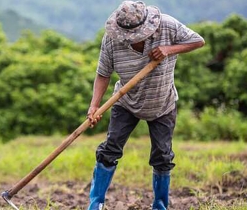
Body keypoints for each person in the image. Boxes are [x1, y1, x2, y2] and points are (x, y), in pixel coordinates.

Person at [86, 1, 205, 210]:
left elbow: (198, 41)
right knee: (110, 149)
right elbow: (103, 73)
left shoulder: (167, 26)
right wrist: (94, 107)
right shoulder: (112, 40)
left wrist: (169, 49)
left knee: (162, 156)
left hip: (162, 103)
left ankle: (160, 206)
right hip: (125, 102)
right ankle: (96, 204)